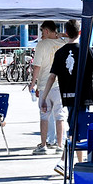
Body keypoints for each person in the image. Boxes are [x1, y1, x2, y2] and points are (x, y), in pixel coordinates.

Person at [39, 20, 93, 176]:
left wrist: (43, 97)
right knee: (75, 129)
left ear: (66, 32)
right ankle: (64, 161)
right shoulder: (86, 50)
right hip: (83, 96)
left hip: (67, 96)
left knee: (76, 129)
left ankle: (76, 163)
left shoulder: (60, 52)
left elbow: (52, 77)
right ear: (79, 32)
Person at [29, 20, 65, 155]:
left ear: (46, 31)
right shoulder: (63, 43)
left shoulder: (41, 45)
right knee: (59, 115)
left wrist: (33, 83)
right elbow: (71, 35)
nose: (41, 34)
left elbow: (37, 65)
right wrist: (58, 34)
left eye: (42, 31)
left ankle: (43, 144)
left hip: (45, 85)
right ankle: (59, 144)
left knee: (44, 115)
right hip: (59, 85)